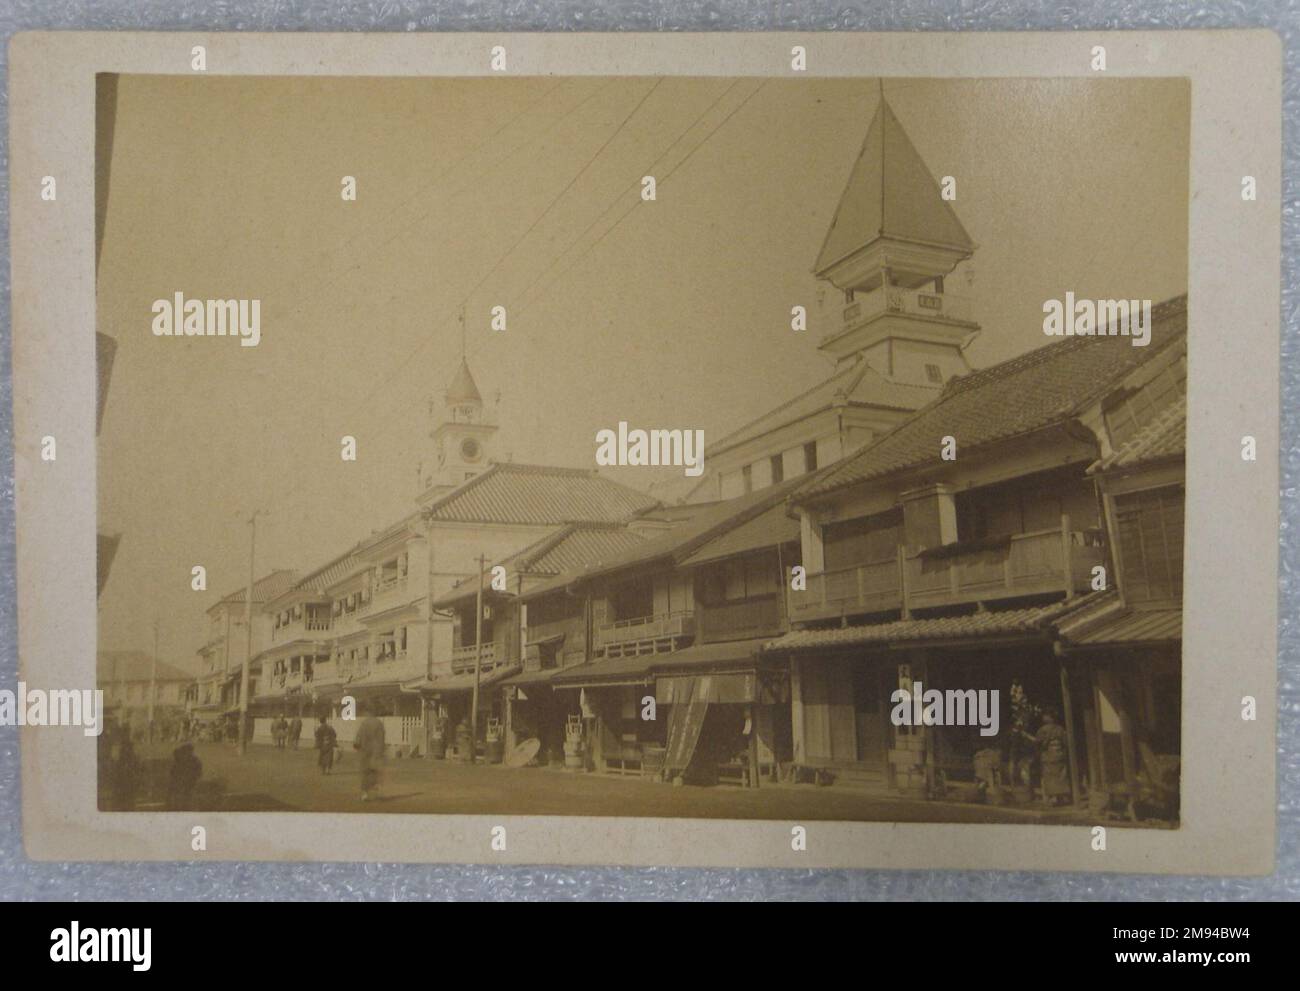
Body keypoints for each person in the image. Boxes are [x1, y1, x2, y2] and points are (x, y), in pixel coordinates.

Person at [1035, 709, 1072, 807]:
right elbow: (1066, 742)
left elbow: (1038, 743)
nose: (1043, 717)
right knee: (1061, 776)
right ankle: (1062, 797)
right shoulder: (1060, 729)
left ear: (1049, 717)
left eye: (1045, 715)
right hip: (1059, 755)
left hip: (1048, 756)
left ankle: (1053, 798)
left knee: (1050, 776)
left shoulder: (1042, 730)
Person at [353, 706, 386, 801]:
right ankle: (376, 791)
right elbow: (381, 738)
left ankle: (365, 794)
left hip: (365, 751)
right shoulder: (379, 723)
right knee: (375, 771)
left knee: (365, 772)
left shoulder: (364, 723)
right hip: (375, 751)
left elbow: (358, 737)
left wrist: (357, 744)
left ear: (368, 713)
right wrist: (381, 750)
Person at [166, 742, 203, 810]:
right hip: (182, 781)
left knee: (186, 796)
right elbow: (174, 771)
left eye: (188, 751)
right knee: (182, 796)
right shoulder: (184, 759)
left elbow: (198, 772)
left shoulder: (193, 760)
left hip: (188, 781)